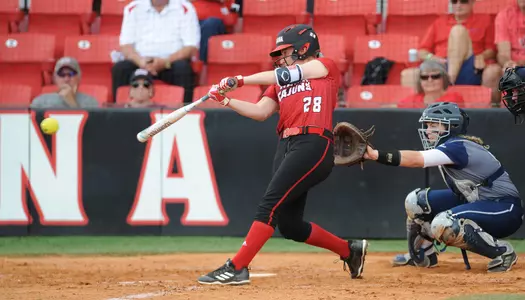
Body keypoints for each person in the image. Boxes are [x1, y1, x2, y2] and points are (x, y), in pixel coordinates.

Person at [196, 24, 368, 285]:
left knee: (270, 204)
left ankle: (237, 267)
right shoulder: (280, 80)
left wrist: (240, 80)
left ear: (304, 47)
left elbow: (290, 74)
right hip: (287, 145)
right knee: (289, 224)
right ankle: (349, 250)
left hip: (313, 142)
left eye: (285, 51)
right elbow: (260, 112)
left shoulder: (324, 66)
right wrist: (225, 100)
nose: (281, 57)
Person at [363, 102, 523, 272]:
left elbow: (417, 159)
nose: (427, 130)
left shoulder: (458, 146)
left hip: (504, 209)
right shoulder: (452, 145)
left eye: (433, 125)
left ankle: (503, 252)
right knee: (416, 201)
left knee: (443, 223)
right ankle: (424, 253)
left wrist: (375, 155)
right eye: (427, 125)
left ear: (452, 126)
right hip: (478, 200)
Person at [400, 0, 501, 105]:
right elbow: (422, 52)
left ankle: (448, 81)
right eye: (454, 1)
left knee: (458, 31)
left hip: (470, 66)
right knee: (408, 74)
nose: (458, 5)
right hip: (441, 65)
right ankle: (413, 113)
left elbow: (492, 50)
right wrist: (434, 58)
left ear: (472, 2)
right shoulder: (440, 22)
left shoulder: (484, 20)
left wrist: (481, 56)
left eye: (463, 1)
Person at [112, 0, 200, 104]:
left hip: (170, 63)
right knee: (121, 68)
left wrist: (165, 62)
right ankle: (119, 113)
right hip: (140, 63)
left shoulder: (185, 8)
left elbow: (191, 47)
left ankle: (184, 113)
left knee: (183, 69)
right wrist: (141, 62)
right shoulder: (133, 8)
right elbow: (126, 45)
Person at [31, 57, 99, 109]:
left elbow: (89, 126)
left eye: (71, 74)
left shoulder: (91, 102)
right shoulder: (40, 101)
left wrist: (71, 102)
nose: (66, 79)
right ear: (55, 78)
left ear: (79, 77)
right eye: (61, 74)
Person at [398, 60, 465, 109]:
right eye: (424, 77)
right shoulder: (413, 99)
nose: (430, 80)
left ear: (444, 78)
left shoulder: (454, 98)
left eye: (435, 76)